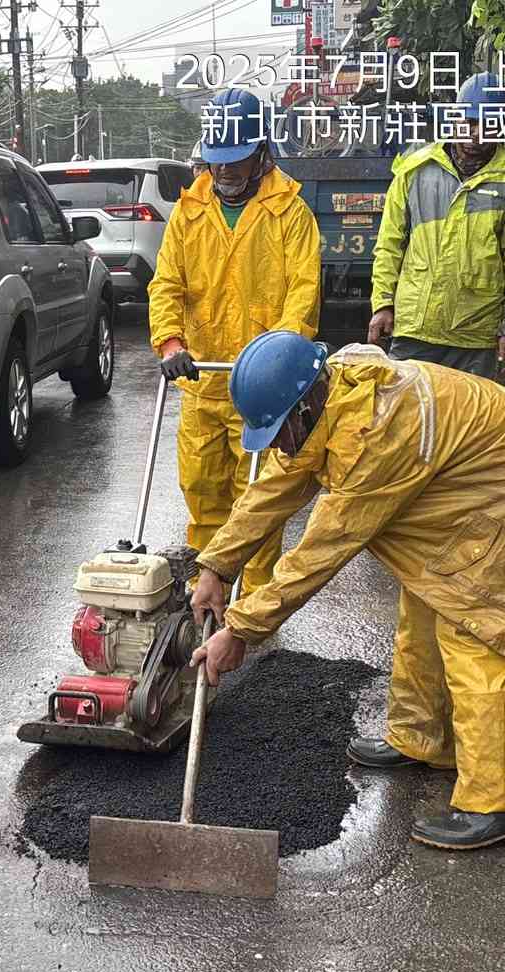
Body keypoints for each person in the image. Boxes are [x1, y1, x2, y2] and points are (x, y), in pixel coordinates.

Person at [188, 333, 505, 850]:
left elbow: (321, 550)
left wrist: (242, 628)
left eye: (279, 431)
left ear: (304, 406)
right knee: (424, 609)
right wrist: (217, 564)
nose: (276, 444)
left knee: (475, 633)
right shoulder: (332, 398)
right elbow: (277, 484)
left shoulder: (372, 433)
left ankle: (502, 802)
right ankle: (421, 738)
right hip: (471, 494)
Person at [149, 88, 322, 596]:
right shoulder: (190, 210)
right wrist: (170, 343)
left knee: (258, 500)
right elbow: (167, 284)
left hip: (260, 391)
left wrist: (278, 364)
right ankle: (211, 595)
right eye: (215, 162)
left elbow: (303, 293)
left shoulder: (289, 213)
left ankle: (255, 608)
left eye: (235, 162)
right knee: (203, 494)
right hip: (203, 378)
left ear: (261, 153)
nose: (223, 173)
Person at [368, 72, 505, 379]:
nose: (475, 134)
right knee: (407, 421)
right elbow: (390, 245)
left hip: (475, 337)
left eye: (487, 126)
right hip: (415, 331)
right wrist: (382, 304)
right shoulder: (415, 172)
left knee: (467, 426)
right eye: (469, 123)